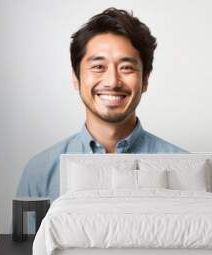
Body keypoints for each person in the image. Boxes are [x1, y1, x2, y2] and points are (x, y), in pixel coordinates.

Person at [16, 7, 188, 233]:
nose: (113, 81)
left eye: (126, 67)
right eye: (98, 66)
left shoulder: (184, 168)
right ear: (76, 78)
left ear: (145, 80)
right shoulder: (40, 171)